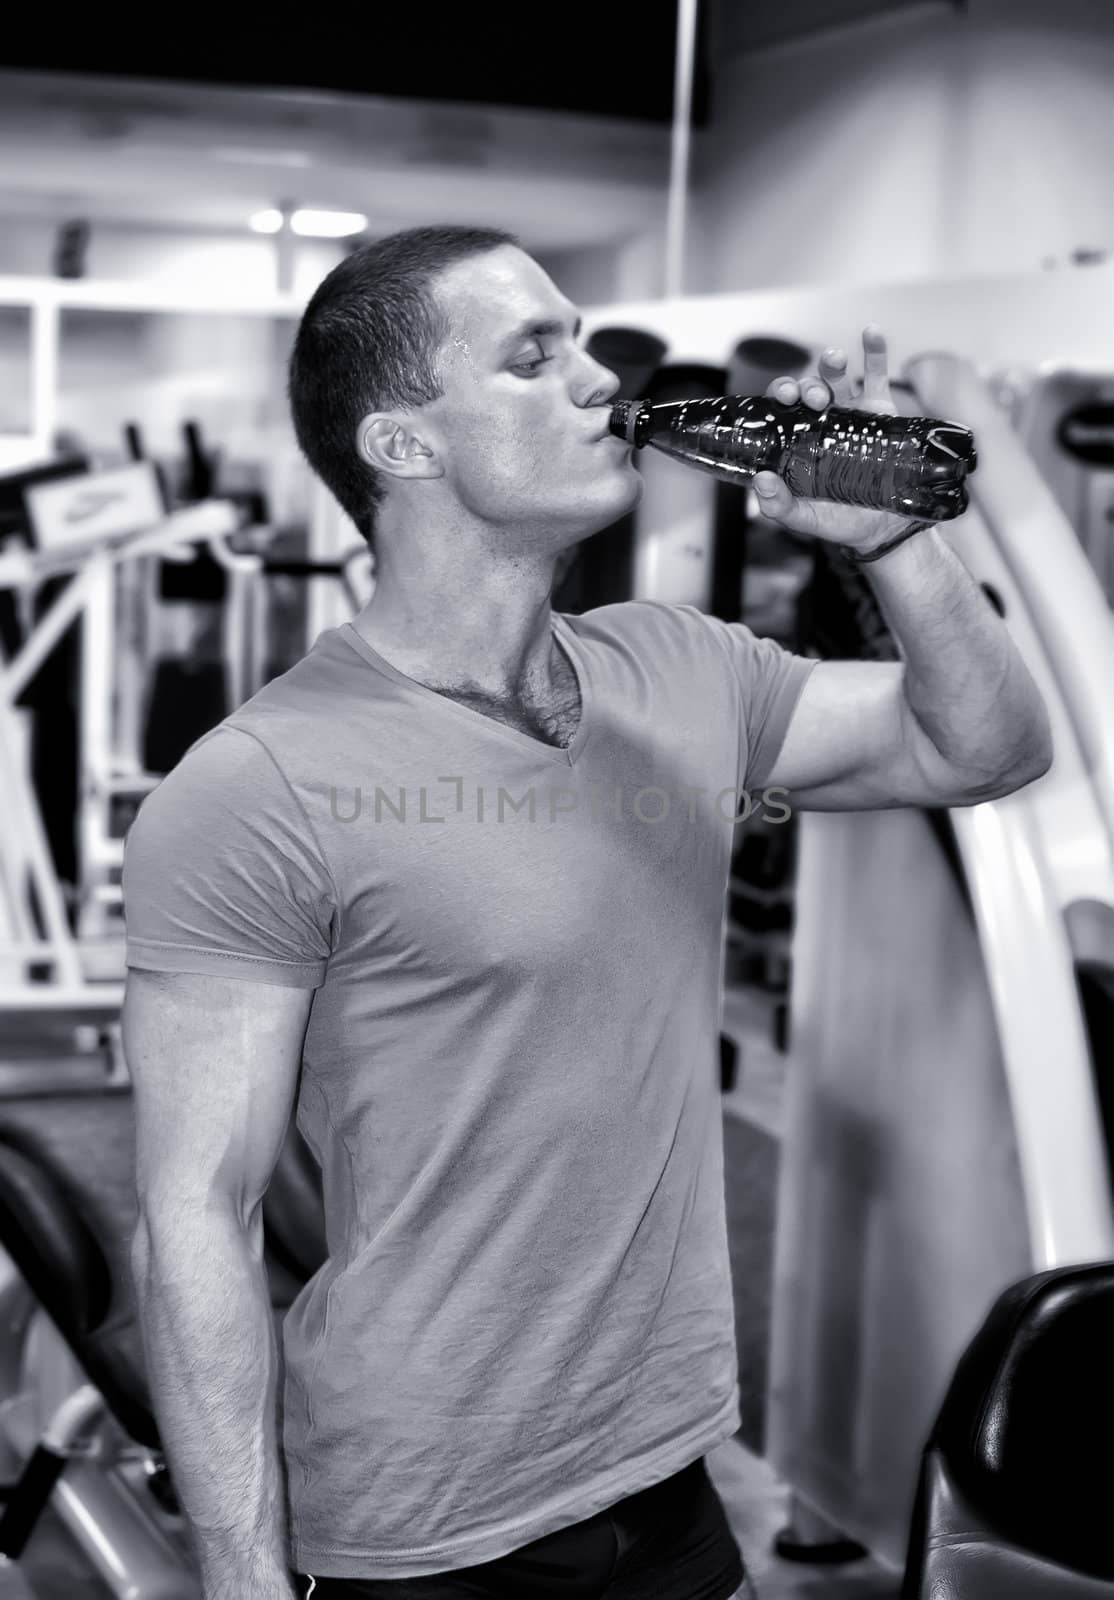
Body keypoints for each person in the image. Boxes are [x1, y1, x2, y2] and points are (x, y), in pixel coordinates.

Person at [120, 225, 1052, 1600]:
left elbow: (984, 750)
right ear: (404, 446)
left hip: (665, 1477)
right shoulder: (260, 781)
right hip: (422, 1517)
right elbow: (196, 1207)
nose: (596, 381)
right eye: (532, 356)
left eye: (586, 342)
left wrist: (898, 545)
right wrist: (243, 1581)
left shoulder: (675, 667)